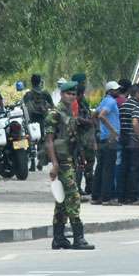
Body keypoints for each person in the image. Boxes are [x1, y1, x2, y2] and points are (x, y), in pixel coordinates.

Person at [45, 81, 94, 250]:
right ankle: (78, 238)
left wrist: (80, 157)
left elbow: (74, 138)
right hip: (62, 162)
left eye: (73, 94)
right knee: (73, 197)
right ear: (62, 94)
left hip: (70, 159)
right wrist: (55, 164)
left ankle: (58, 238)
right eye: (68, 94)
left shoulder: (69, 112)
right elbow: (49, 141)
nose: (71, 97)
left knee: (62, 200)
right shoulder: (55, 113)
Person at [92, 81, 121, 206]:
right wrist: (113, 131)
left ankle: (96, 196)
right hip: (110, 139)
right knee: (108, 170)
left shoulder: (104, 100)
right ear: (110, 91)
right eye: (116, 90)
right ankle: (106, 198)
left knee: (100, 168)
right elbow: (102, 116)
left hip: (103, 139)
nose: (118, 92)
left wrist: (99, 130)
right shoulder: (111, 101)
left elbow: (94, 115)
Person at [118, 84, 139, 204]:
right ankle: (133, 197)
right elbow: (135, 123)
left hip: (123, 139)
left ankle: (122, 195)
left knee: (124, 167)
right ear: (137, 93)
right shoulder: (136, 106)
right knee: (134, 168)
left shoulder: (124, 104)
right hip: (133, 141)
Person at [71, 73, 97, 197]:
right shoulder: (73, 102)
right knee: (79, 164)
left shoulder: (83, 101)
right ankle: (77, 187)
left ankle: (89, 186)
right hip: (79, 137)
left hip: (88, 137)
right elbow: (75, 119)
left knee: (89, 162)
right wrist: (88, 121)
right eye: (83, 82)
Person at [23, 74, 54, 171]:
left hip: (31, 120)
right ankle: (40, 162)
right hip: (43, 119)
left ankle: (32, 163)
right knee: (41, 140)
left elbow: (24, 107)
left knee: (30, 140)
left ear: (31, 82)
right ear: (40, 81)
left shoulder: (28, 94)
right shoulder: (45, 93)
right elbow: (52, 106)